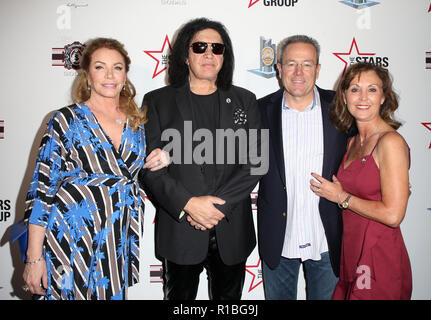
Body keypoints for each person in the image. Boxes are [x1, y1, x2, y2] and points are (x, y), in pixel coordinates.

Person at [22, 37, 168, 300]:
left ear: (126, 75)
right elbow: (41, 191)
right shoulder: (65, 120)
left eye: (118, 67)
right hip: (69, 238)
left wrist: (159, 157)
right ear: (87, 75)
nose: (110, 75)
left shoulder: (137, 123)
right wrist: (34, 258)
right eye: (100, 67)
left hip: (115, 240)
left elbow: (139, 171)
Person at [141, 17, 264, 300]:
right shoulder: (157, 101)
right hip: (181, 228)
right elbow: (150, 168)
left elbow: (256, 161)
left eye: (217, 48)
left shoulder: (245, 99)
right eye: (200, 46)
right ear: (185, 55)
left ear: (224, 56)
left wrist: (216, 208)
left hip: (232, 229)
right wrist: (189, 204)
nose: (209, 53)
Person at [310, 62, 412, 300]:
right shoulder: (351, 142)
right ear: (344, 96)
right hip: (351, 252)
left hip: (378, 255)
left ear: (384, 96)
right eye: (355, 89)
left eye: (372, 89)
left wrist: (340, 197)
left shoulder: (390, 142)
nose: (363, 97)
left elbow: (393, 215)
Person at [257, 35, 348, 300]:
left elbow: (369, 145)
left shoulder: (342, 109)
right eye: (291, 64)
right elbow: (235, 159)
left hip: (327, 238)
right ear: (279, 68)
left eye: (307, 64)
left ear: (318, 69)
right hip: (278, 238)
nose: (298, 72)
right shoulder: (259, 111)